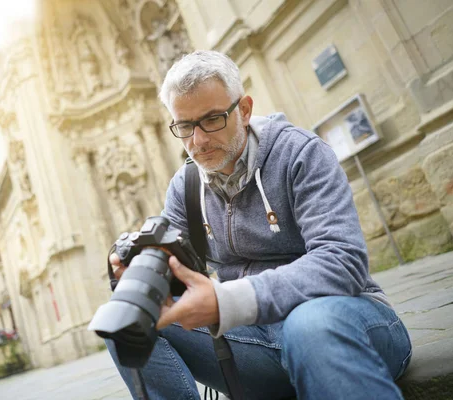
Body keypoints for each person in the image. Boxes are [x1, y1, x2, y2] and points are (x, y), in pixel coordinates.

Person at [106, 50, 412, 400]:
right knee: (127, 320)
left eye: (212, 119)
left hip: (346, 328)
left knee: (307, 325)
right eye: (186, 126)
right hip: (255, 342)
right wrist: (143, 271)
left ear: (245, 109)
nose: (199, 141)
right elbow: (179, 268)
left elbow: (343, 262)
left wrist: (228, 300)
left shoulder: (301, 153)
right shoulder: (185, 186)